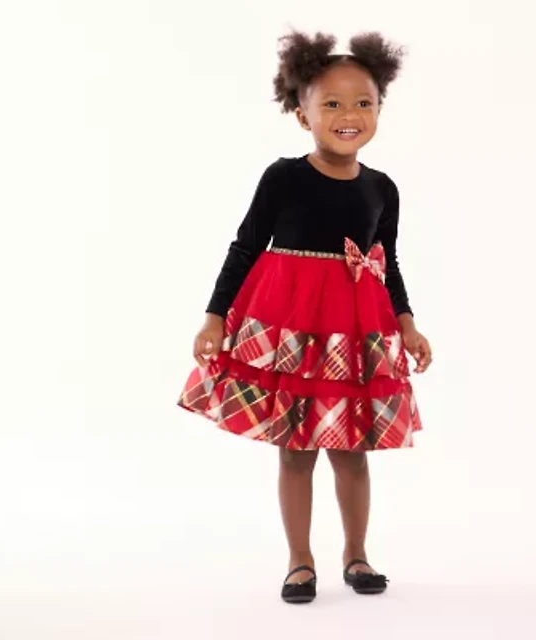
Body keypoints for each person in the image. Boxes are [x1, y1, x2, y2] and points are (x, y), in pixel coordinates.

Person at [177, 30, 433, 604]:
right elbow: (246, 246)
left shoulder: (382, 189)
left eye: (363, 102)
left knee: (352, 450)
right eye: (332, 104)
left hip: (353, 328)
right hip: (291, 324)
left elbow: (387, 262)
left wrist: (407, 323)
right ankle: (300, 561)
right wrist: (215, 316)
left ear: (380, 109)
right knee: (296, 449)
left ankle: (356, 555)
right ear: (302, 115)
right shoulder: (284, 177)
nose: (349, 115)